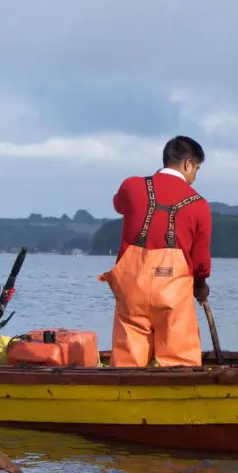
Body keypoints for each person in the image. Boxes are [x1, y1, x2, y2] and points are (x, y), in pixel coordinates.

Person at [99, 136, 212, 367]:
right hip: (172, 292)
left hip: (132, 289)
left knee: (127, 361)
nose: (194, 178)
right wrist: (200, 287)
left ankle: (123, 395)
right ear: (188, 164)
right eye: (196, 170)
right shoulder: (199, 204)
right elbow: (201, 262)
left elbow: (119, 204)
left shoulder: (131, 186)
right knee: (179, 362)